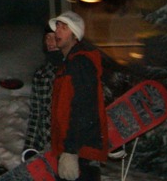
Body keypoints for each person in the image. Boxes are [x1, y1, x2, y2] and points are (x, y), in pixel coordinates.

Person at [48, 11, 107, 181]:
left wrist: (71, 150)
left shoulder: (80, 63)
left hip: (81, 153)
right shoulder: (68, 65)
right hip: (74, 150)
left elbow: (84, 108)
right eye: (57, 27)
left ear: (75, 34)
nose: (57, 31)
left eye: (64, 28)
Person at [22, 26, 62, 161]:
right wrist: (29, 147)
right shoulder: (41, 74)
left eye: (54, 37)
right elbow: (36, 114)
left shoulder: (74, 67)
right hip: (48, 145)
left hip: (72, 145)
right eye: (47, 38)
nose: (50, 42)